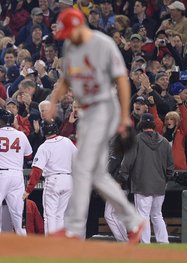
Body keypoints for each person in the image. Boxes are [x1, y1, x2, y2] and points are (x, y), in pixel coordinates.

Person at [49, 8, 144, 244]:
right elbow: (67, 79)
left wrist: (124, 117)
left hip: (105, 108)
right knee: (95, 173)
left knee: (80, 166)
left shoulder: (103, 44)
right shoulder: (70, 47)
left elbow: (122, 80)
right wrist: (53, 100)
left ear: (81, 26)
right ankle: (133, 221)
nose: (69, 37)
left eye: (71, 32)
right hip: (87, 113)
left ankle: (73, 229)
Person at [119, 113, 174, 244]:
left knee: (143, 215)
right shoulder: (165, 142)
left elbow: (127, 162)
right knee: (157, 214)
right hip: (159, 185)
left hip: (142, 184)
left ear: (141, 124)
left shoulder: (136, 140)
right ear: (153, 125)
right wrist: (165, 179)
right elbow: (170, 166)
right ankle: (164, 242)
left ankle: (145, 244)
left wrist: (122, 176)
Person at [23, 119, 77, 235]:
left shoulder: (44, 147)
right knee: (60, 215)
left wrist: (28, 190)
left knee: (50, 215)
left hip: (54, 180)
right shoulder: (67, 141)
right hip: (68, 179)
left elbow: (37, 171)